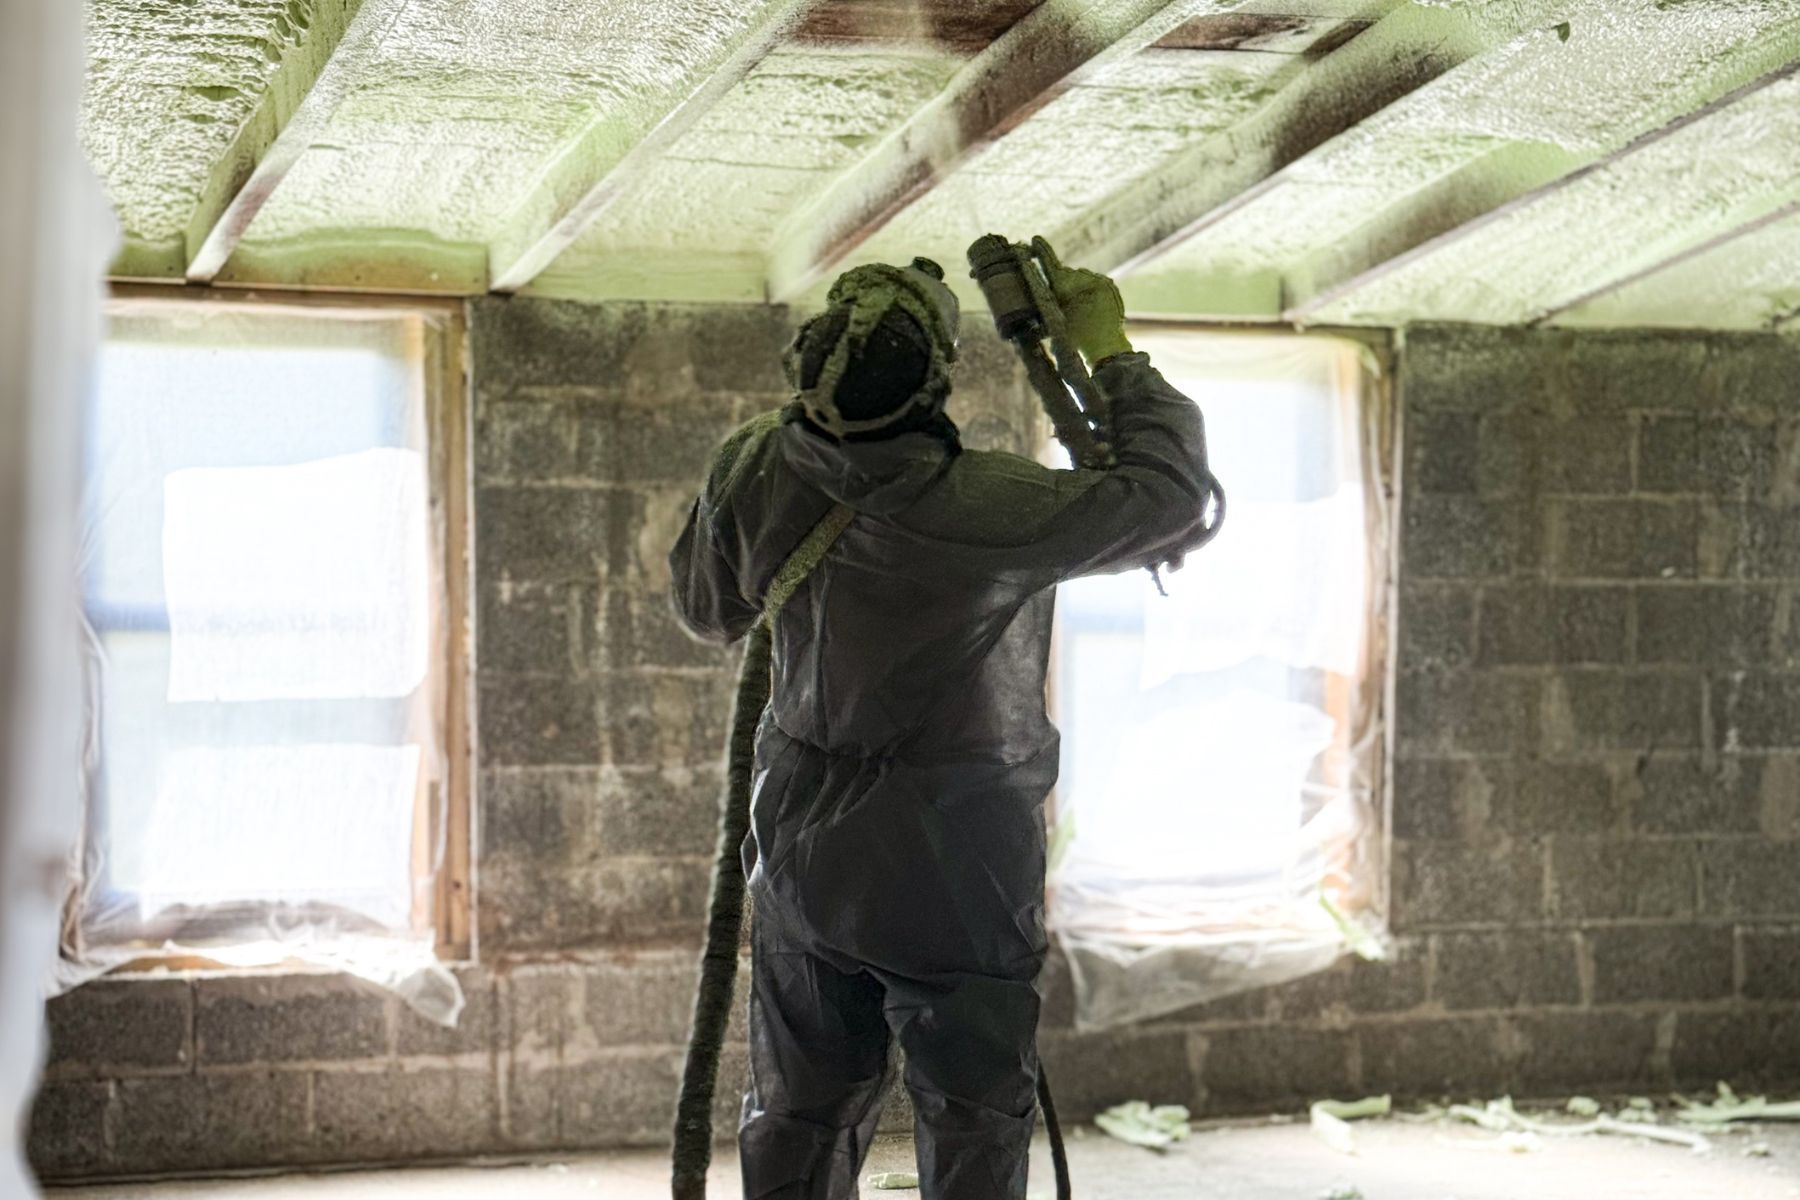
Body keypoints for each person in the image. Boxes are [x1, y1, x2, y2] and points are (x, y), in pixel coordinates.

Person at [669, 247, 1217, 1200]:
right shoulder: (991, 505)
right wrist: (1108, 350)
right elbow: (1172, 506)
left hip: (804, 852)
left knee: (797, 1108)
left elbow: (707, 611)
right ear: (935, 380)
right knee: (972, 1116)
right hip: (958, 863)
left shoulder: (756, 466)